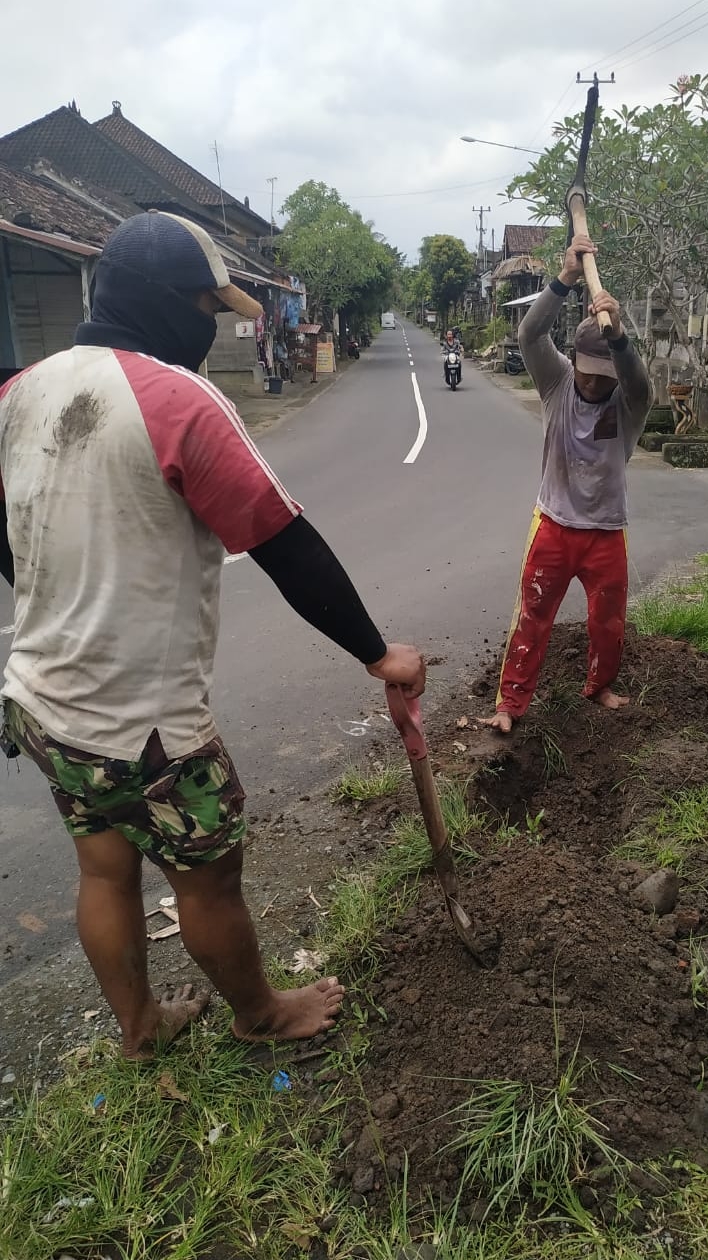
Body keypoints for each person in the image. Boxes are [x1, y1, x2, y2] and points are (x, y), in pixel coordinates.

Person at [0, 210, 426, 1059]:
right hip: (146, 730)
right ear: (168, 305)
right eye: (209, 308)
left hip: (40, 702)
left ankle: (140, 1030)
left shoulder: (19, 389)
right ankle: (262, 1011)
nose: (214, 326)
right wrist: (380, 653)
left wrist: (61, 600)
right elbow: (283, 542)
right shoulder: (177, 400)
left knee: (104, 868)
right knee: (208, 879)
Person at [481, 233, 651, 734]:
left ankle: (599, 687)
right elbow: (531, 336)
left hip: (606, 533)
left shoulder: (629, 403)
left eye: (605, 375)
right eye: (588, 372)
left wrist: (619, 337)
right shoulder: (555, 383)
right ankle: (510, 704)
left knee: (609, 623)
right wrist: (565, 279)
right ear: (573, 361)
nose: (595, 384)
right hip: (553, 526)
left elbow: (641, 383)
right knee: (532, 617)